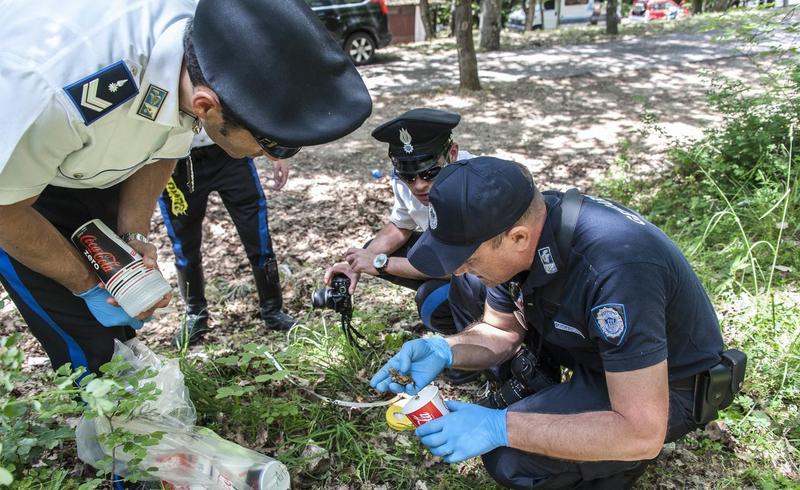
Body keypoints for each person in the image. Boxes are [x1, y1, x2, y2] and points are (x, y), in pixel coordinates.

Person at [0, 0, 371, 377]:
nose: (267, 155)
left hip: (88, 163)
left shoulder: (207, 48)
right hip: (13, 185)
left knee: (122, 316)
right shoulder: (60, 93)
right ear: (206, 105)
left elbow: (165, 144)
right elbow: (5, 210)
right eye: (272, 145)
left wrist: (133, 233)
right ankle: (107, 424)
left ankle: (133, 409)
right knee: (83, 337)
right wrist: (85, 282)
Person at [371, 157, 738, 488]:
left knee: (510, 458)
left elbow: (640, 430)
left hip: (668, 385)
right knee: (468, 288)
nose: (456, 267)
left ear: (517, 238)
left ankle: (616, 468)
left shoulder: (616, 269)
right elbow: (501, 330)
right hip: (595, 356)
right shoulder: (524, 228)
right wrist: (443, 350)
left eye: (465, 256)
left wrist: (500, 428)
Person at [324, 109, 487, 383]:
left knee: (433, 299)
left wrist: (381, 264)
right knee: (373, 248)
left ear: (453, 153)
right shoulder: (408, 179)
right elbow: (401, 225)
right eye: (409, 176)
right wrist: (358, 263)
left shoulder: (476, 185)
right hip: (448, 256)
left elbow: (472, 266)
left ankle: (477, 355)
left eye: (430, 173)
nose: (420, 185)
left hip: (490, 276)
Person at [160, 130, 296, 348]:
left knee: (257, 235)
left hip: (228, 150)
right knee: (184, 245)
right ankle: (195, 314)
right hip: (175, 161)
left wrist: (279, 152)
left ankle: (273, 309)